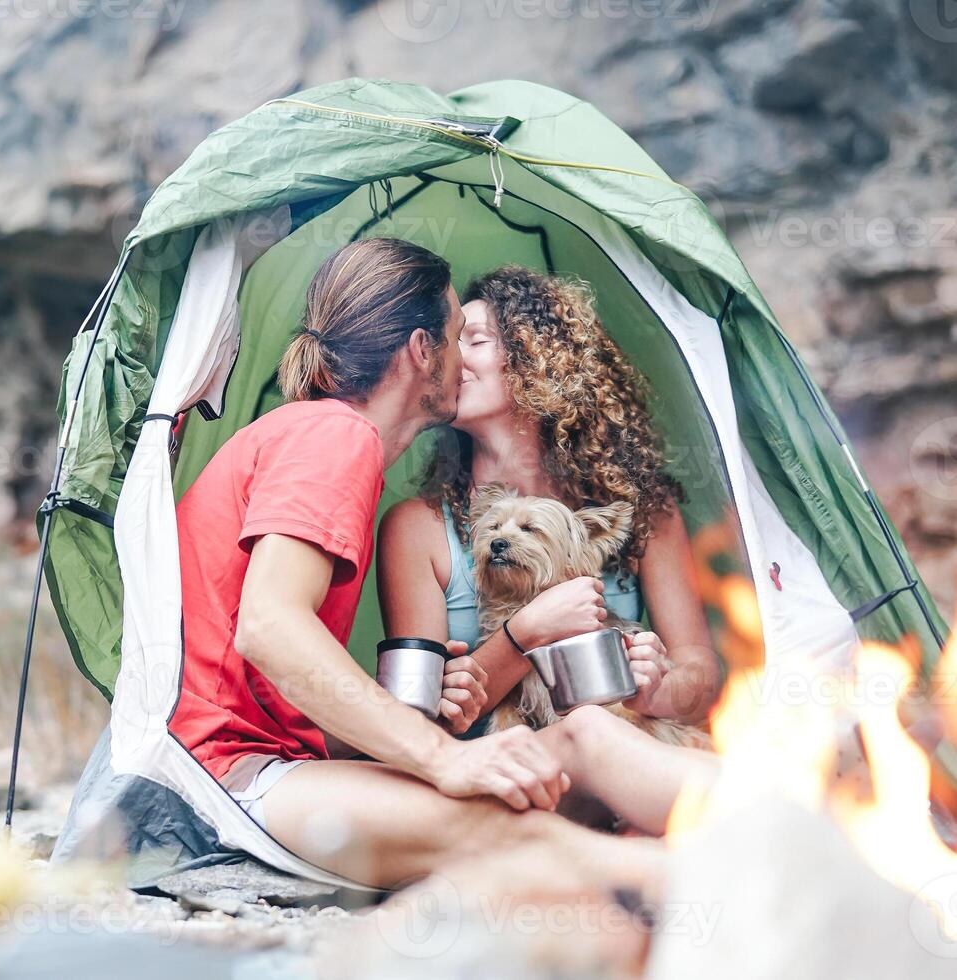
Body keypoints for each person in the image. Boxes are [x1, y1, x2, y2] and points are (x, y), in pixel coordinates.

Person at [167, 241, 714, 892]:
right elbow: (267, 625)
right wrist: (441, 754)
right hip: (231, 777)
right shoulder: (334, 437)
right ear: (423, 352)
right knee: (525, 829)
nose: (463, 357)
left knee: (585, 735)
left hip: (276, 762)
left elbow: (269, 675)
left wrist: (418, 711)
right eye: (459, 336)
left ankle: (793, 818)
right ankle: (786, 851)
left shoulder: (329, 439)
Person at [378, 265, 722, 827]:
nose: (452, 355)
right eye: (449, 339)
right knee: (590, 730)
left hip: (632, 760)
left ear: (539, 359)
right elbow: (419, 725)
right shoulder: (417, 528)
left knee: (630, 775)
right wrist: (528, 631)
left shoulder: (642, 510)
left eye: (477, 339)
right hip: (503, 778)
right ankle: (789, 822)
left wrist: (657, 690)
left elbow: (699, 677)